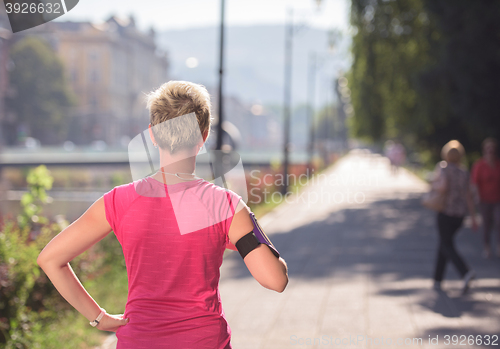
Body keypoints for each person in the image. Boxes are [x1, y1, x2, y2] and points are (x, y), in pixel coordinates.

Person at [37, 81, 288, 348]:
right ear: (204, 137)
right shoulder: (224, 204)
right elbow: (275, 280)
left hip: (138, 341)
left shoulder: (117, 201)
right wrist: (248, 221)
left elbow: (50, 259)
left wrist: (98, 317)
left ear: (153, 135)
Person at [432, 140, 477, 294]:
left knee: (446, 244)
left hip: (445, 213)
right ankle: (437, 280)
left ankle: (465, 272)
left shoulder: (443, 168)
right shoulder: (463, 172)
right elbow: (468, 196)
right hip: (459, 215)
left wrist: (433, 185)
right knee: (444, 243)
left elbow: (442, 187)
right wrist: (473, 216)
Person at [471, 137, 500, 259]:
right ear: (484, 150)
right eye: (488, 149)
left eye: (492, 149)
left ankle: (499, 246)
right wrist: (477, 196)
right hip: (484, 200)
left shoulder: (498, 164)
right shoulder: (479, 165)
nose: (490, 151)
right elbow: (474, 183)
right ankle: (486, 247)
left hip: (497, 200)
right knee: (487, 224)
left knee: (498, 221)